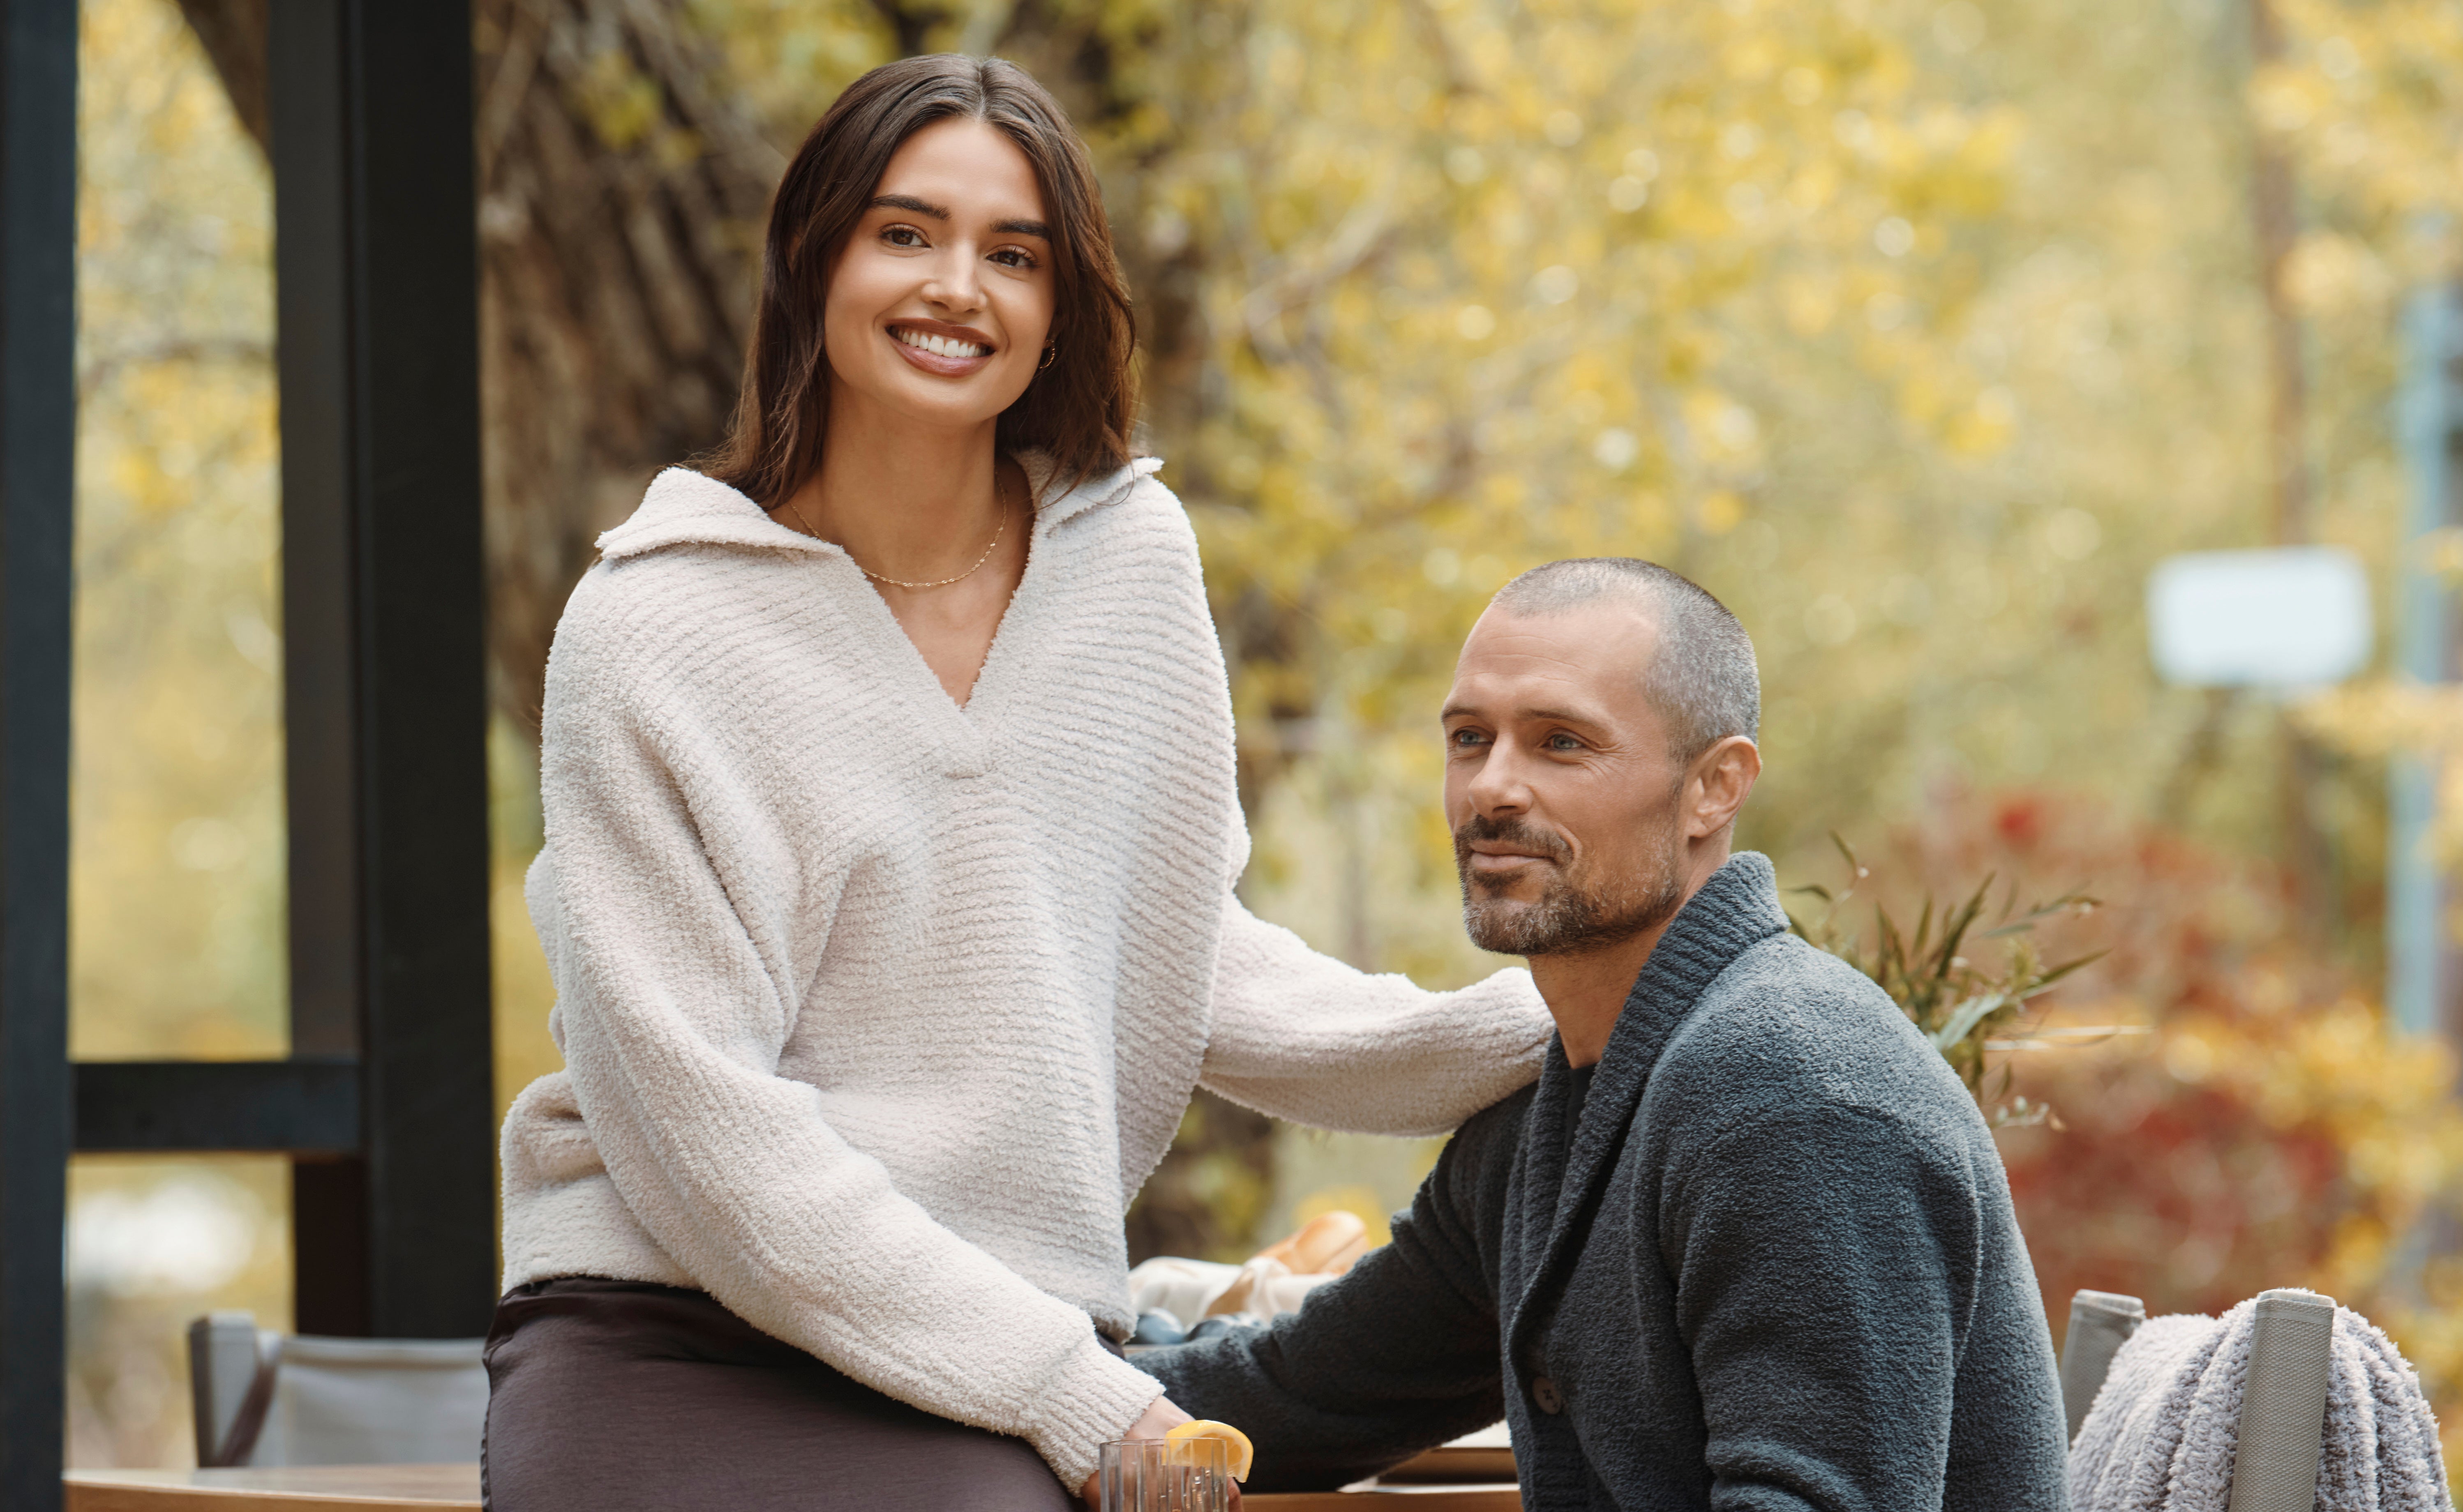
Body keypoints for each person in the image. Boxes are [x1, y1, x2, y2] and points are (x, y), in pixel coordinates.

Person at [480, 55, 1551, 1512]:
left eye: (1014, 254)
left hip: (999, 1335)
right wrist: (1068, 1388)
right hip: (676, 1319)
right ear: (815, 256)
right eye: (905, 233)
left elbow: (1167, 952)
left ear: (1062, 307)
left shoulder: (1132, 559)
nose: (957, 289)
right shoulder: (653, 624)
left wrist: (1551, 1016)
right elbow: (694, 1115)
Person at [1139, 558, 2071, 1510]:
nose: (1491, 790)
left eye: (1561, 743)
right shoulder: (1547, 1121)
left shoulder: (1791, 1097)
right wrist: (1020, 1379)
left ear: (1715, 787)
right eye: (1470, 739)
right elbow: (1293, 1397)